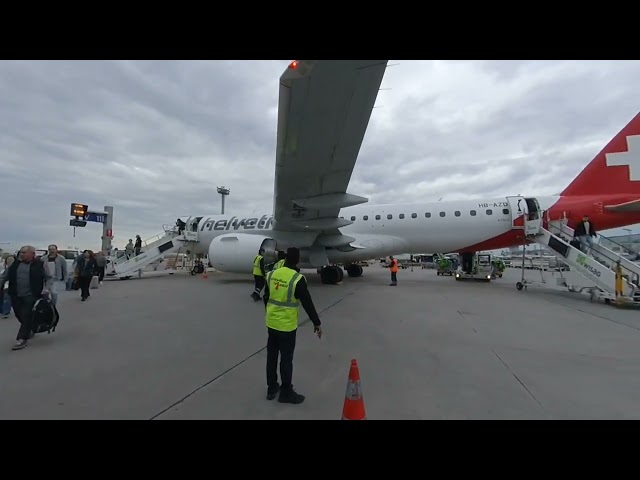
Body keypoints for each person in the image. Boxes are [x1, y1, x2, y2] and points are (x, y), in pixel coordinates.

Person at [263, 247, 322, 404]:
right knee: (286, 359)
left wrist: (270, 313)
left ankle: (271, 388)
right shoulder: (297, 279)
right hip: (287, 326)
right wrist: (316, 322)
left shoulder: (272, 275)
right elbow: (307, 303)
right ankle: (286, 392)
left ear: (285, 258)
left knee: (272, 357)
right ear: (297, 260)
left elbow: (266, 297)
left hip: (272, 323)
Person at [0, 246, 52, 350]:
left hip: (32, 295)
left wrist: (46, 289)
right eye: (21, 252)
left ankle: (22, 338)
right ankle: (30, 329)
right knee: (19, 315)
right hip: (15, 295)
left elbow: (48, 278)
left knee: (26, 315)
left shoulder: (40, 264)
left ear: (32, 254)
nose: (21, 254)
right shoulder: (14, 264)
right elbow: (4, 276)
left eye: (24, 252)